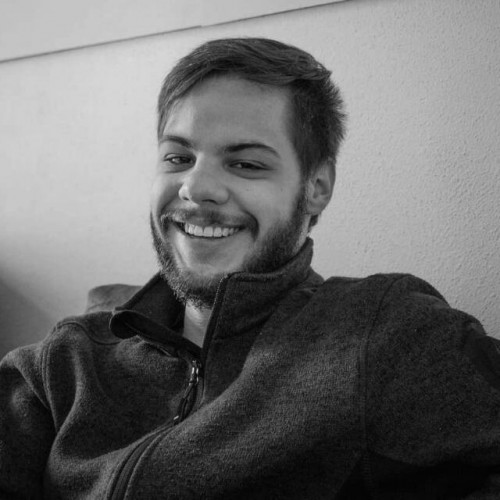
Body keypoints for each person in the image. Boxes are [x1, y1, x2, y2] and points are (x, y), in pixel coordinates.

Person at [0, 37, 499, 499]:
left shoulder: (380, 335)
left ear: (316, 187)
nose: (196, 188)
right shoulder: (67, 360)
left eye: (246, 164)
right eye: (178, 157)